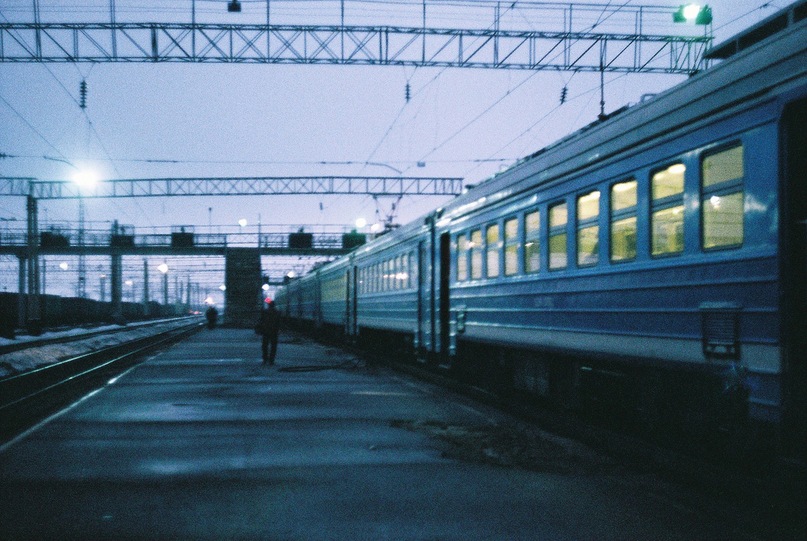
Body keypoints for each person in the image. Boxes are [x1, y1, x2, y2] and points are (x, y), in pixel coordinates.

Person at [256, 300, 281, 365]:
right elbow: (279, 323)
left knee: (265, 346)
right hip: (274, 332)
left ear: (268, 305)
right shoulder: (277, 312)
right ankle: (271, 360)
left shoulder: (264, 312)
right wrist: (278, 330)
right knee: (273, 347)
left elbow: (261, 321)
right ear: (274, 305)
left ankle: (265, 359)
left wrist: (259, 330)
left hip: (265, 331)